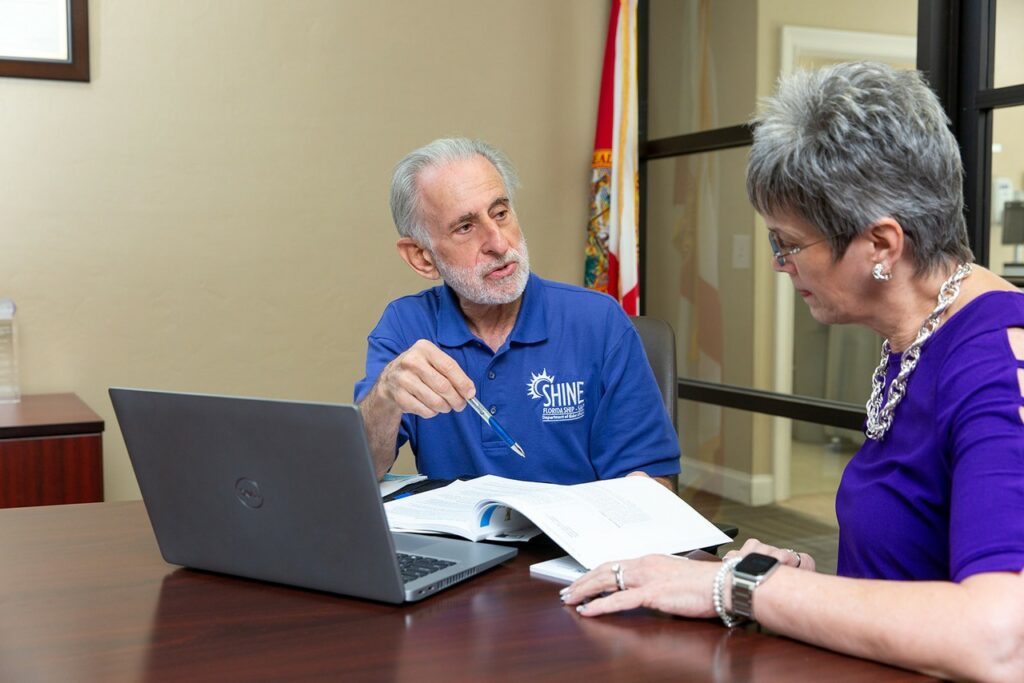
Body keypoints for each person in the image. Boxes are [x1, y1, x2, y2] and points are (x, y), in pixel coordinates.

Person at [560, 62, 1024, 683]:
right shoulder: (918, 334)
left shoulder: (996, 361)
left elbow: (1001, 639)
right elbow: (910, 570)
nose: (781, 264)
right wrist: (791, 587)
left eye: (790, 244)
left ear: (881, 246)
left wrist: (739, 587)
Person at [354, 137, 680, 489]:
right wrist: (385, 396)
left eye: (500, 213)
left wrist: (639, 493)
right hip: (458, 527)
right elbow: (362, 470)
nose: (499, 243)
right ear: (422, 258)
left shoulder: (599, 321)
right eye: (465, 227)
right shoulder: (405, 325)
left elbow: (655, 481)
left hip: (575, 526)